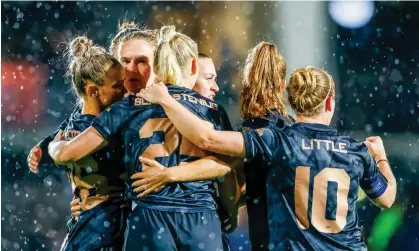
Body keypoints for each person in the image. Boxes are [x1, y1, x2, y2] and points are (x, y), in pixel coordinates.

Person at [138, 64, 397, 250]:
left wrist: (167, 101)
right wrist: (382, 158)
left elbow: (208, 138)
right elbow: (387, 198)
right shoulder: (356, 152)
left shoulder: (277, 140)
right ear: (330, 103)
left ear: (291, 103)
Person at [47, 25, 237, 251]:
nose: (131, 70)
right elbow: (225, 162)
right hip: (195, 221)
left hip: (146, 221)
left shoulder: (123, 110)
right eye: (124, 61)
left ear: (157, 63)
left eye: (141, 61)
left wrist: (53, 146)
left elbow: (66, 152)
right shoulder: (209, 108)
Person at [49, 36, 128, 251]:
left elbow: (59, 149)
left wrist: (48, 147)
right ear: (93, 91)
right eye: (117, 86)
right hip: (103, 232)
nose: (125, 92)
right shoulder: (103, 129)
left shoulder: (73, 120)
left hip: (83, 228)